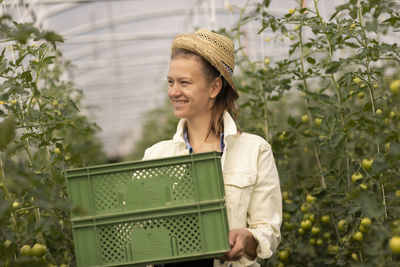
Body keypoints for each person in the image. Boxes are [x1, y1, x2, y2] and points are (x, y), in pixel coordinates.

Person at [142, 29, 282, 267]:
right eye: (171, 82)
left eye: (184, 82)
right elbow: (139, 231)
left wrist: (246, 238)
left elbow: (268, 230)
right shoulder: (156, 156)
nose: (174, 91)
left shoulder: (255, 150)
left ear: (214, 87)